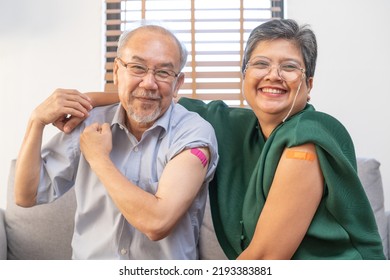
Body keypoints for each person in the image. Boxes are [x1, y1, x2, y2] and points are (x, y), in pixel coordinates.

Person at [55, 19, 385, 259]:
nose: (273, 75)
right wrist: (76, 102)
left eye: (289, 67)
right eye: (261, 64)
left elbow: (264, 260)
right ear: (244, 76)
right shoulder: (234, 124)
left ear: (308, 84)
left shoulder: (308, 138)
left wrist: (99, 157)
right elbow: (152, 95)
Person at [13, 22, 219, 260]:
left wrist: (98, 158)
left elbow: (157, 222)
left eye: (163, 72)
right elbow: (26, 196)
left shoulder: (194, 133)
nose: (149, 83)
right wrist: (36, 121)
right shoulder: (90, 121)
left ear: (178, 83)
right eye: (137, 68)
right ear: (116, 72)